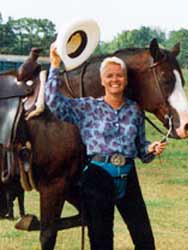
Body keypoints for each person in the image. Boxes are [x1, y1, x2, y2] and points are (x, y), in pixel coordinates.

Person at [46, 45, 167, 250]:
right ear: (102, 81)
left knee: (145, 239)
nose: (114, 80)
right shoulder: (87, 107)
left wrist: (151, 149)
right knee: (102, 242)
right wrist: (55, 66)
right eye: (109, 76)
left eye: (119, 76)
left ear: (125, 79)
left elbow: (140, 148)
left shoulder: (134, 111)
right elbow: (54, 102)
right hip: (98, 176)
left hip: (128, 176)